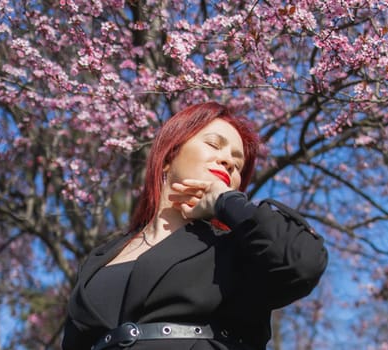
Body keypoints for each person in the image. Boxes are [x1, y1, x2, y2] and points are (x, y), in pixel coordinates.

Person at [62, 102, 328, 350]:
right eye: (214, 144)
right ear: (168, 156)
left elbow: (301, 262)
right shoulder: (99, 258)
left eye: (237, 163)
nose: (229, 162)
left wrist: (227, 202)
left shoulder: (235, 249)